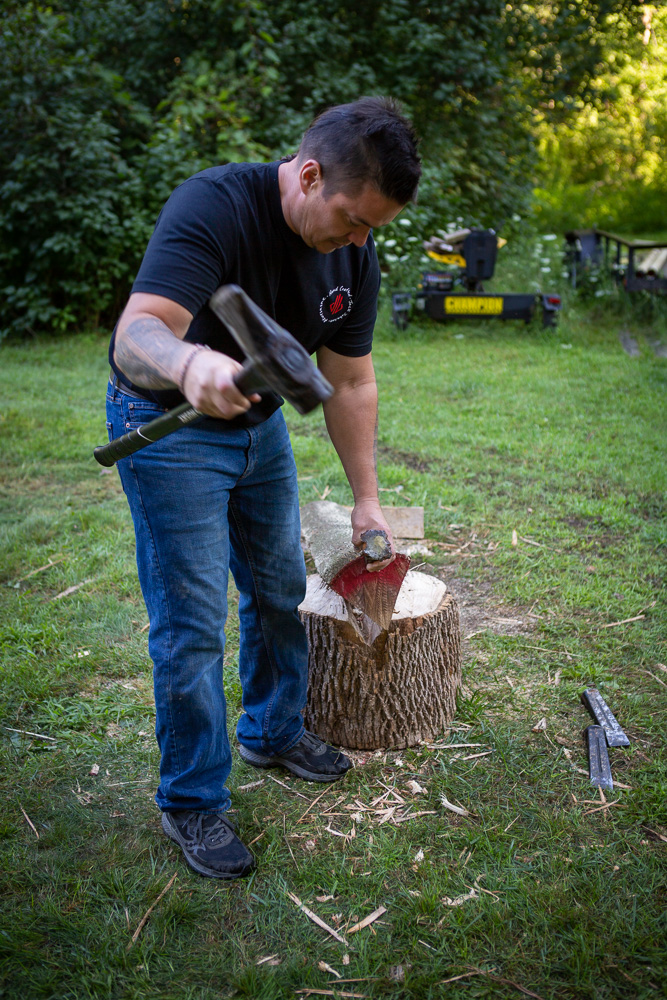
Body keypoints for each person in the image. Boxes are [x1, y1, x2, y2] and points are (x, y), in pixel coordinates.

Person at [106, 96, 421, 880]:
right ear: (308, 174)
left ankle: (273, 730)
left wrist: (368, 501)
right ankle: (192, 798)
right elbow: (138, 330)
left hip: (259, 428)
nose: (359, 239)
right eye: (351, 218)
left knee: (280, 589)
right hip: (168, 425)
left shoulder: (356, 248)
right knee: (189, 622)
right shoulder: (214, 204)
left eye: (372, 228)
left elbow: (348, 381)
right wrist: (190, 364)